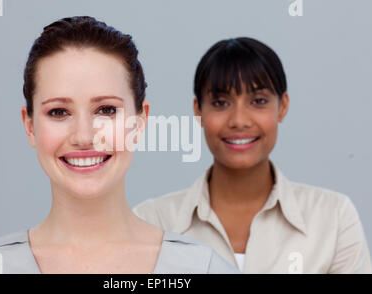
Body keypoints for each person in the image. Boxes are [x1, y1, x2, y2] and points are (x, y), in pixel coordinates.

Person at [0, 16, 237, 274]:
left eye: (106, 110)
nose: (84, 136)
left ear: (139, 122)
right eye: (58, 112)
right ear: (29, 126)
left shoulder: (202, 269)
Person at [133, 37, 372, 274]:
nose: (239, 121)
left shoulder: (333, 217)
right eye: (220, 103)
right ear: (198, 111)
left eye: (258, 101)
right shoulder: (151, 222)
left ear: (283, 106)